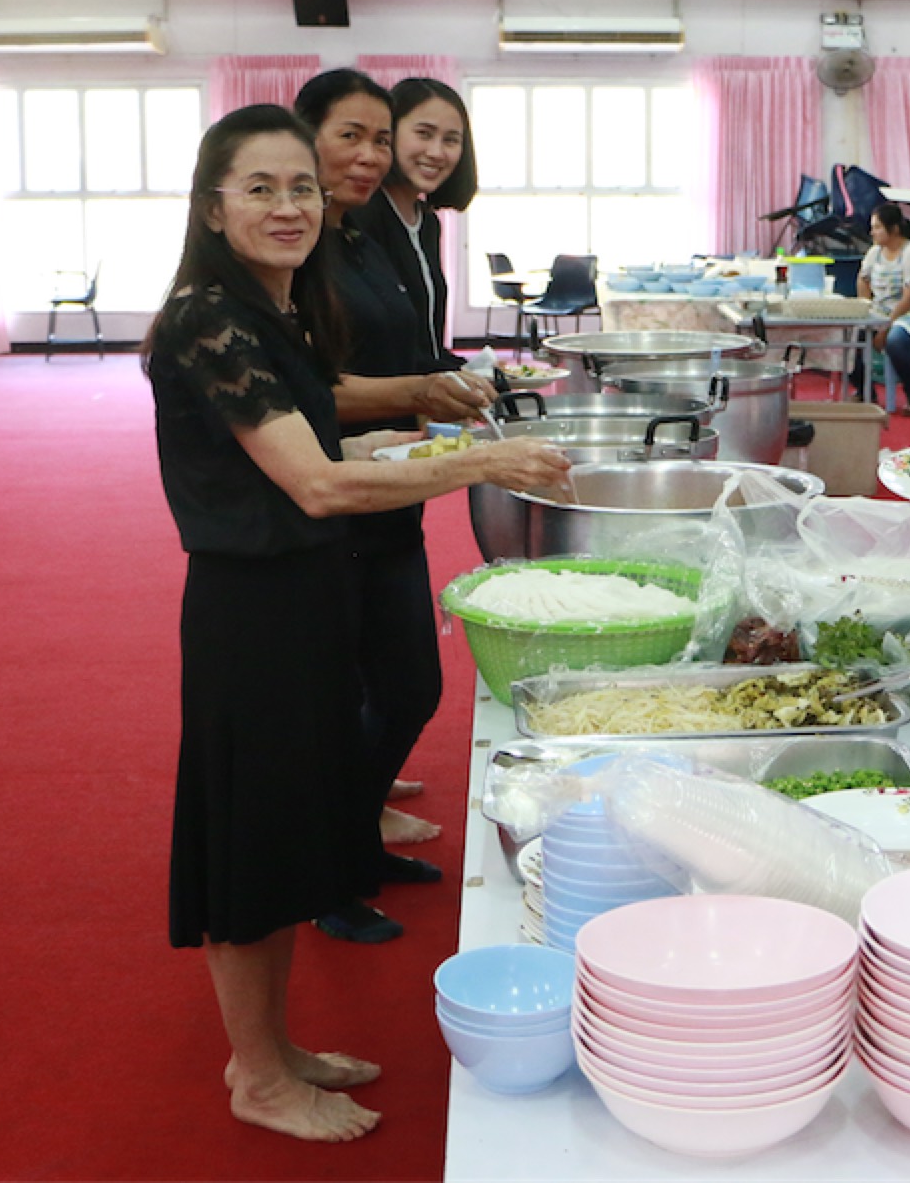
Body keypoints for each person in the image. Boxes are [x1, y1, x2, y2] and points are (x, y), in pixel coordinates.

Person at [145, 104, 568, 1141]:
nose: (288, 207)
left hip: (307, 599)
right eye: (260, 189)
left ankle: (273, 1047)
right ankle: (257, 1076)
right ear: (212, 206)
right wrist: (480, 461)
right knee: (250, 851)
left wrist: (430, 441)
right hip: (253, 616)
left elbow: (335, 453)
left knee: (287, 837)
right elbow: (317, 486)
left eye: (300, 187)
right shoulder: (208, 319)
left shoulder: (277, 309)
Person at [292, 69, 493, 945]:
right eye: (357, 136)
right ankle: (328, 866)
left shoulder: (376, 233)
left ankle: (353, 837)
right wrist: (422, 390)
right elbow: (311, 388)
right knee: (354, 693)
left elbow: (411, 345)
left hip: (393, 476)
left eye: (383, 140)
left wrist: (446, 385)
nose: (374, 157)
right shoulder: (319, 242)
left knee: (406, 683)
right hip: (336, 491)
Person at [354, 77, 477, 365]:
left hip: (427, 388)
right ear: (389, 134)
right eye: (424, 134)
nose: (436, 152)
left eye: (450, 140)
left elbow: (426, 340)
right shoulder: (361, 217)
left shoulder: (428, 223)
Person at [859, 203, 910, 413]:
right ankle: (864, 392)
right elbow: (863, 279)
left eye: (877, 227)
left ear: (893, 229)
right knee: (852, 334)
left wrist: (885, 329)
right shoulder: (874, 253)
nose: (872, 232)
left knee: (895, 341)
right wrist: (864, 309)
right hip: (881, 313)